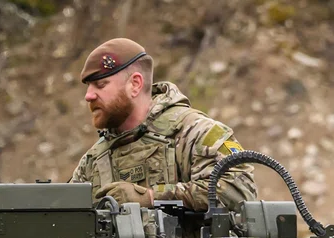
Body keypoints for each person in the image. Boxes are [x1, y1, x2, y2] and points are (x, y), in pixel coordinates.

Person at [71, 38, 257, 211]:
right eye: (88, 87)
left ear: (135, 84)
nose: (89, 95)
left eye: (101, 85)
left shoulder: (195, 133)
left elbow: (240, 190)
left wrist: (152, 197)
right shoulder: (93, 161)